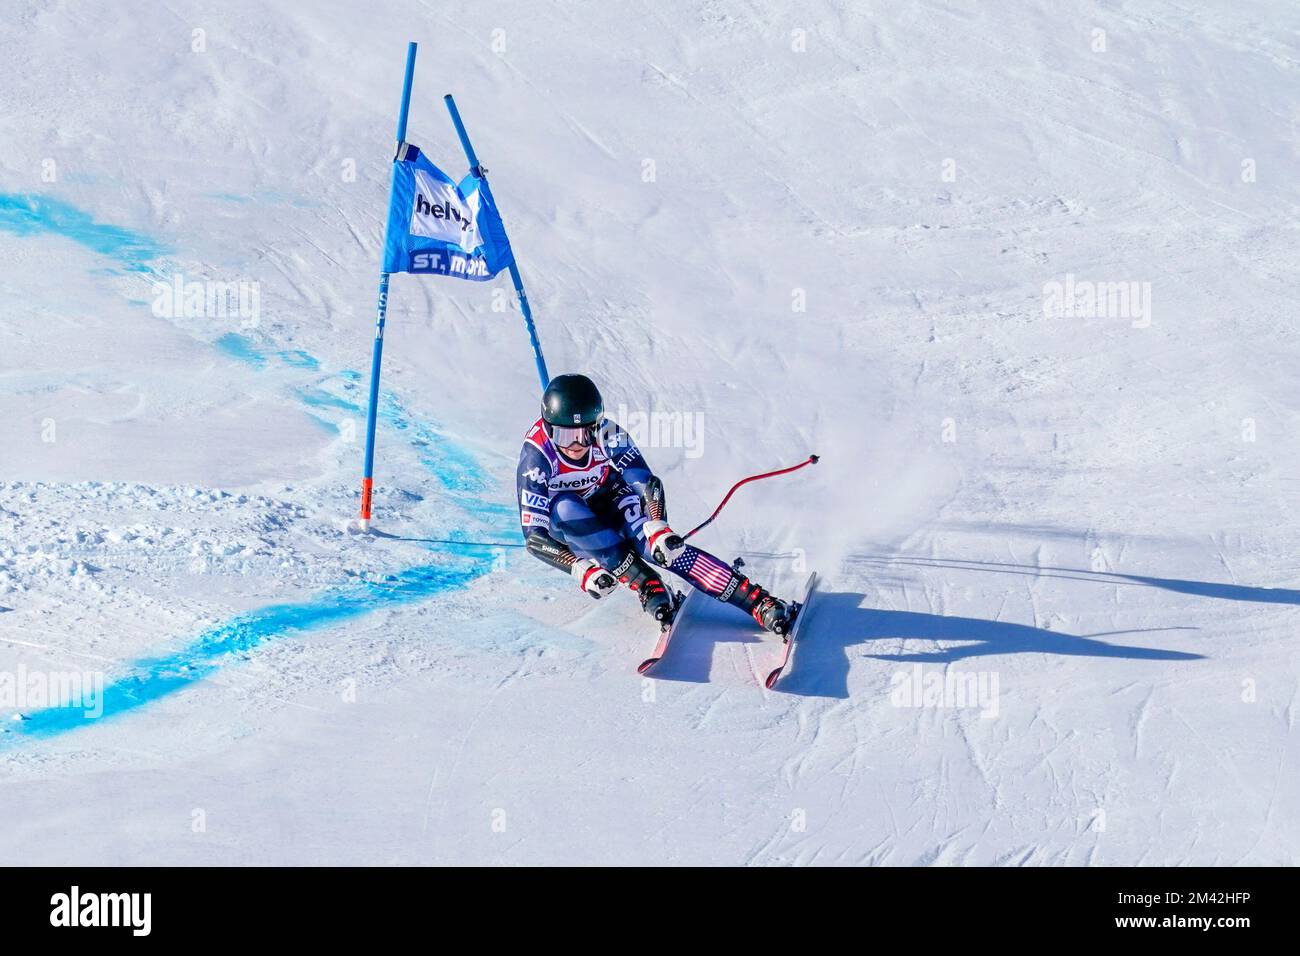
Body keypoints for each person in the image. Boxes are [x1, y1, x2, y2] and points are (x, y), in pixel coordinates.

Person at [516, 373, 793, 633]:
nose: (576, 445)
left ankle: (756, 600)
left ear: (596, 426)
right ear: (549, 428)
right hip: (571, 524)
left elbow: (645, 481)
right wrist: (577, 567)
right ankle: (645, 583)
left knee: (659, 550)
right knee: (565, 507)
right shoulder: (536, 458)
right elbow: (535, 538)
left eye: (585, 434)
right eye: (565, 436)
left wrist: (658, 525)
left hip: (610, 495)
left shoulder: (608, 434)